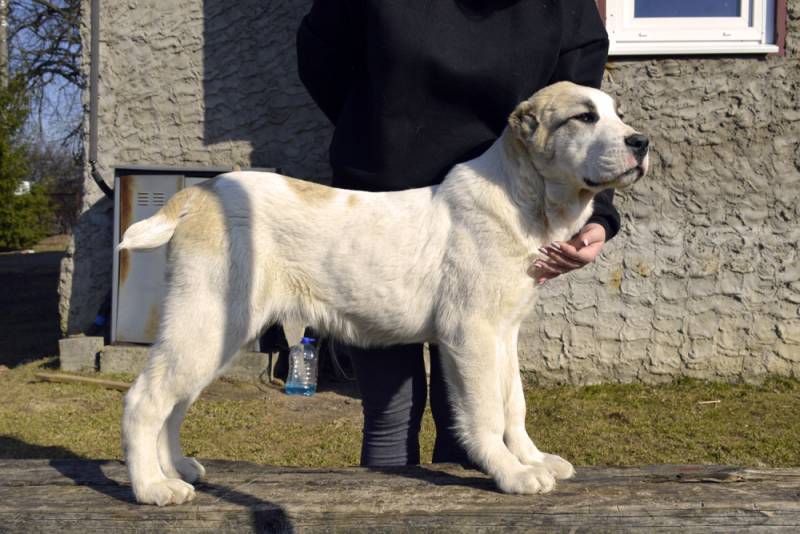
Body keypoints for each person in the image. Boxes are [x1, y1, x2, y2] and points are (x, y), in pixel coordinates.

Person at [296, 0, 619, 467]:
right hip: (380, 211)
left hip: (494, 207)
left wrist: (598, 215)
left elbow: (585, 125)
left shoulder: (565, 8)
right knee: (391, 410)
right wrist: (375, 132)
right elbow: (321, 56)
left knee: (471, 416)